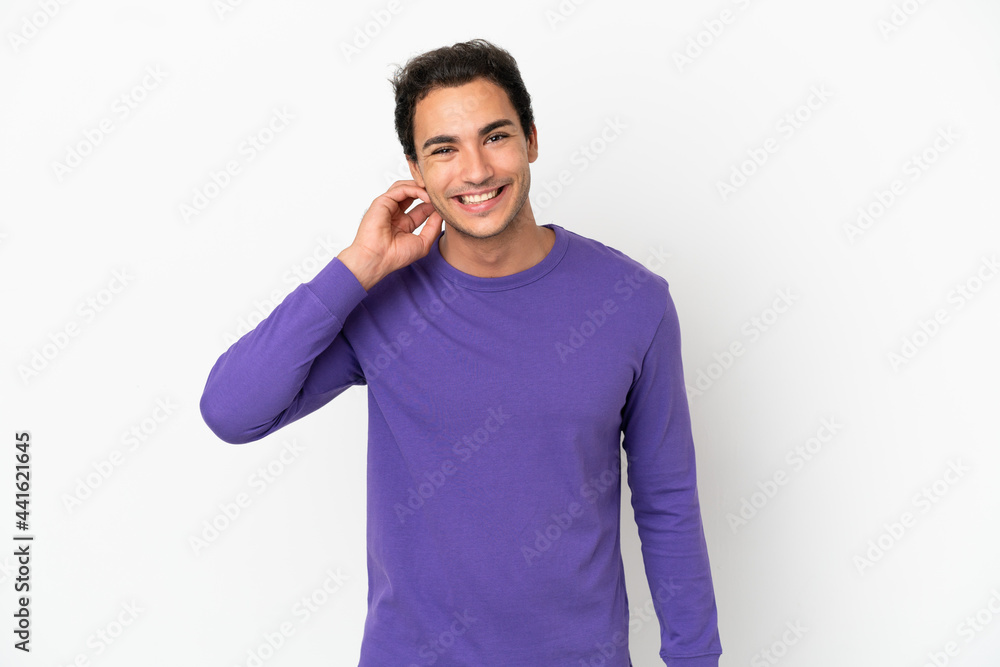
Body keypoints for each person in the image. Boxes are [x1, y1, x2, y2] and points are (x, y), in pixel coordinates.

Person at [200, 38, 722, 667]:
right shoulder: (381, 300)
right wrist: (358, 265)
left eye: (494, 137)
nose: (475, 170)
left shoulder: (633, 301)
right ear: (416, 171)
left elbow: (667, 502)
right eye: (443, 149)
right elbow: (232, 411)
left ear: (531, 140)